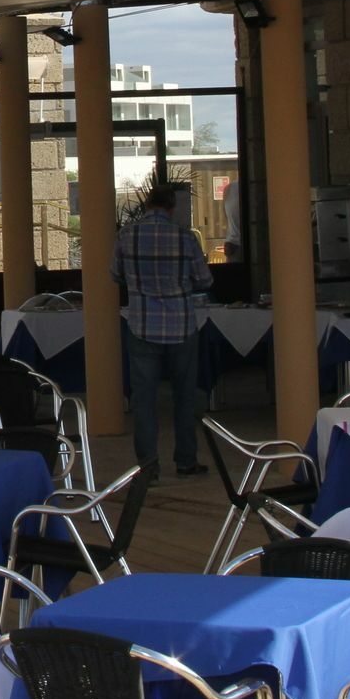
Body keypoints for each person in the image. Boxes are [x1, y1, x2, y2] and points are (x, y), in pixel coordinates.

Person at [111, 182, 212, 478]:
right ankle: (185, 460)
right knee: (185, 394)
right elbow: (205, 280)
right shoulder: (184, 238)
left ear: (146, 205)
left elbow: (115, 274)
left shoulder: (126, 235)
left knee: (144, 399)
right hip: (181, 325)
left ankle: (148, 467)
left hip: (142, 324)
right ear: (171, 207)